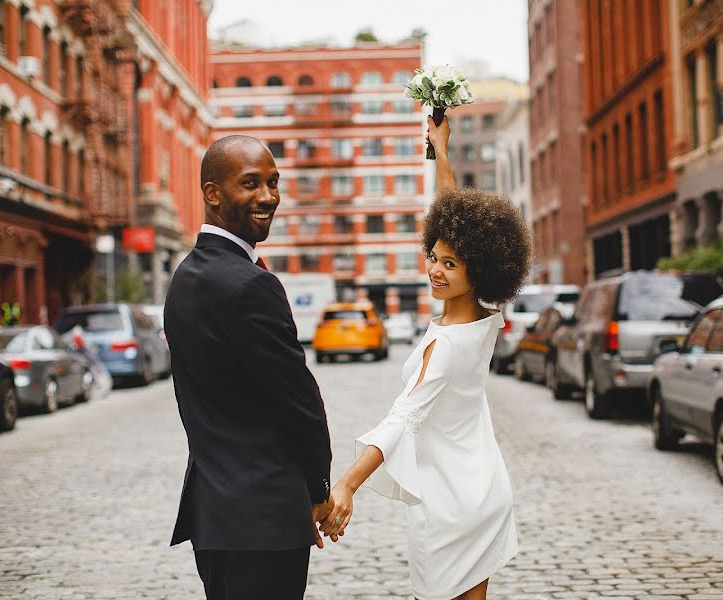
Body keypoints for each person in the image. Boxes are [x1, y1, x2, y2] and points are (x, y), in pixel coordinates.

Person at [321, 116, 532, 600]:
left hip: (451, 506)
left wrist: (348, 483)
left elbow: (404, 418)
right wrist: (440, 151)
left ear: (477, 271)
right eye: (433, 256)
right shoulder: (483, 318)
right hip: (481, 488)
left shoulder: (449, 343)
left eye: (450, 264)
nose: (435, 269)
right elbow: (453, 217)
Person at [164, 135, 336, 599]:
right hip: (265, 519)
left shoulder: (184, 277)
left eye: (273, 183)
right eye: (251, 184)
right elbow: (298, 400)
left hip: (215, 517)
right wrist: (320, 489)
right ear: (212, 193)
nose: (268, 197)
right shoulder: (250, 285)